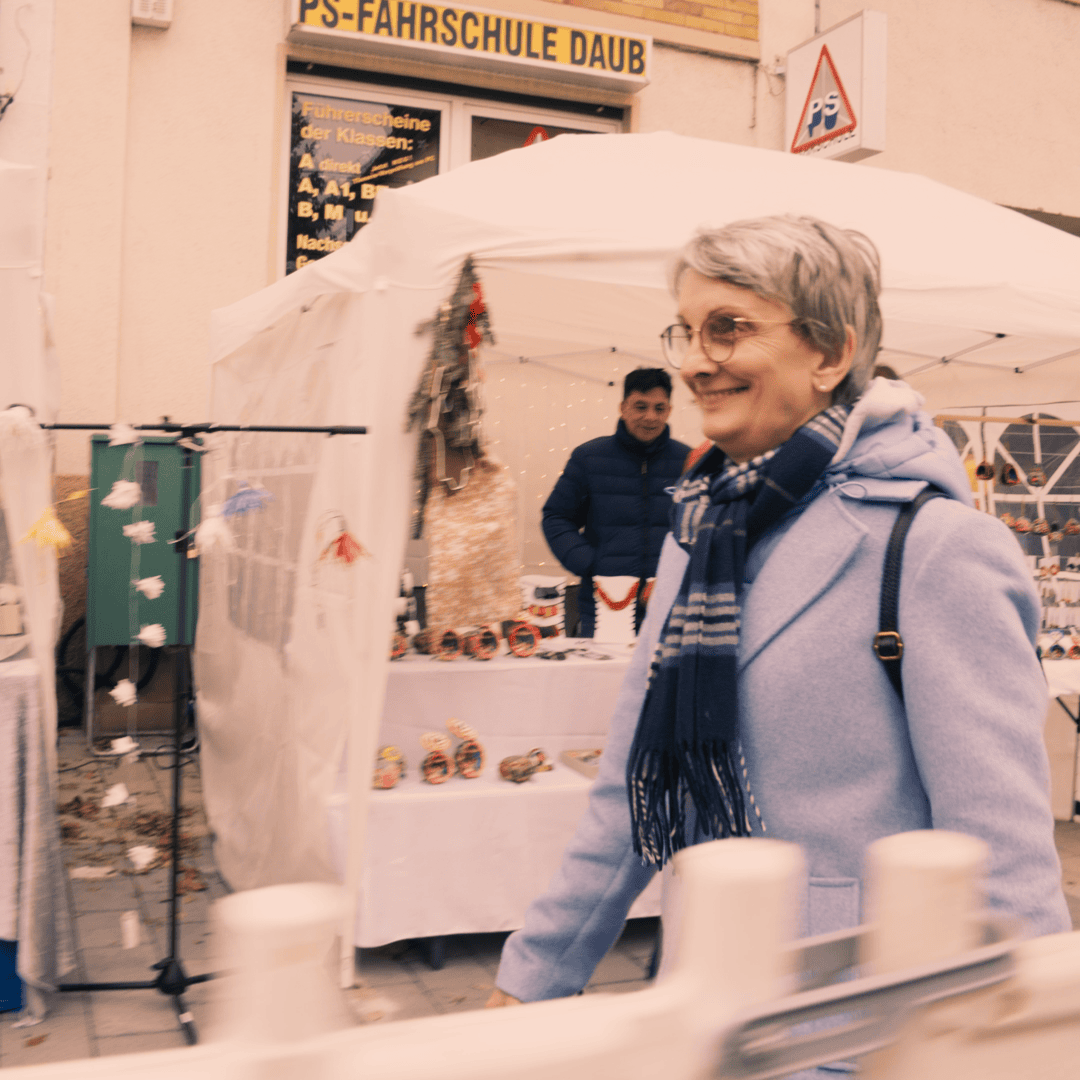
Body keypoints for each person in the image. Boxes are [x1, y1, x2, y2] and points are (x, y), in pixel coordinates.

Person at [488, 214, 1070, 1012]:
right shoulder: (699, 531)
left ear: (830, 353)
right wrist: (532, 979)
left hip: (857, 1025)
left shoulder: (936, 550)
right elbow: (631, 791)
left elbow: (1002, 857)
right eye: (686, 331)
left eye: (728, 329)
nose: (696, 362)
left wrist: (1019, 1039)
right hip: (697, 1000)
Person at [541, 368, 691, 637]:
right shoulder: (589, 458)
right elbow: (556, 517)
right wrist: (591, 563)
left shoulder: (688, 462)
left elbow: (700, 529)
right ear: (623, 407)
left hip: (669, 607)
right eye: (640, 407)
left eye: (659, 408)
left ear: (669, 411)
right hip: (603, 605)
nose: (650, 417)